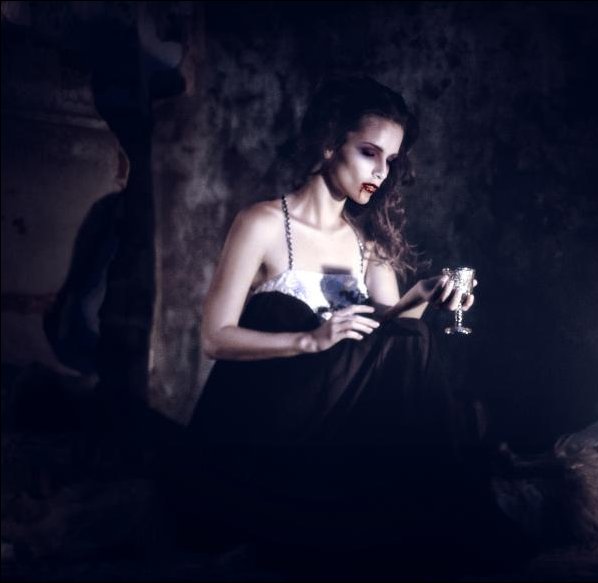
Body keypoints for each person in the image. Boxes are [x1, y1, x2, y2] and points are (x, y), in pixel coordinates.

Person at [173, 76, 531, 576]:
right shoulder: (263, 224)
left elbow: (394, 350)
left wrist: (421, 296)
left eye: (391, 161)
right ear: (328, 144)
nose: (381, 172)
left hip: (340, 426)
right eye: (369, 153)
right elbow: (215, 337)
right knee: (280, 309)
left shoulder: (369, 248)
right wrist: (309, 338)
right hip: (270, 425)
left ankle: (424, 509)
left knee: (412, 333)